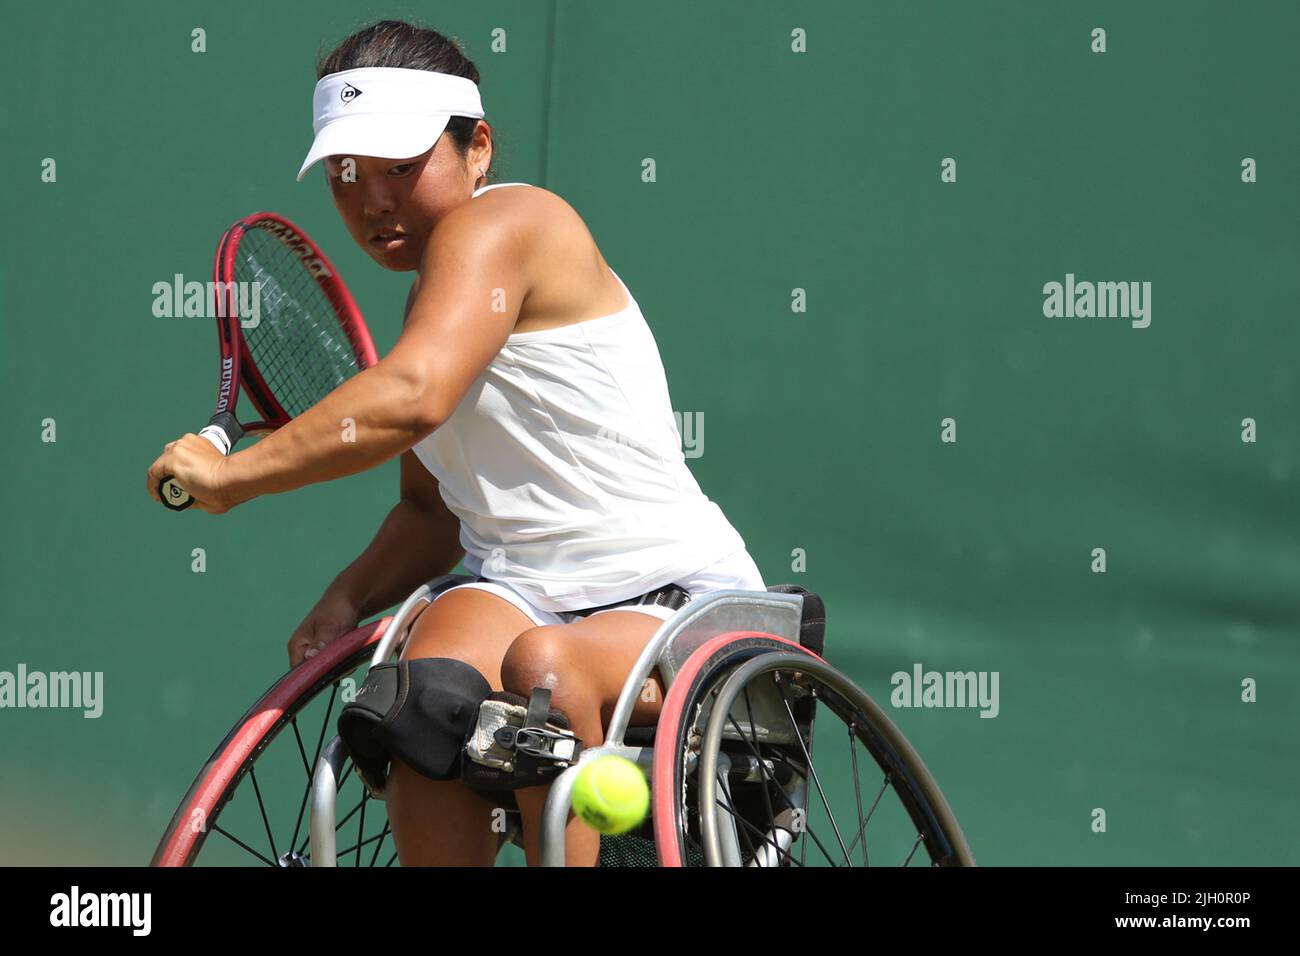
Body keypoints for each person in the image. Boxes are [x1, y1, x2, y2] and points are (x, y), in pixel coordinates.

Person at [145, 19, 765, 866]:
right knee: (417, 703)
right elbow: (432, 513)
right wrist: (347, 595)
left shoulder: (513, 222)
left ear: (479, 149)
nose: (374, 201)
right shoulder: (431, 307)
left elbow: (412, 397)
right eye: (347, 176)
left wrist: (231, 477)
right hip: (521, 593)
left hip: (674, 601)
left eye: (403, 168)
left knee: (541, 667)